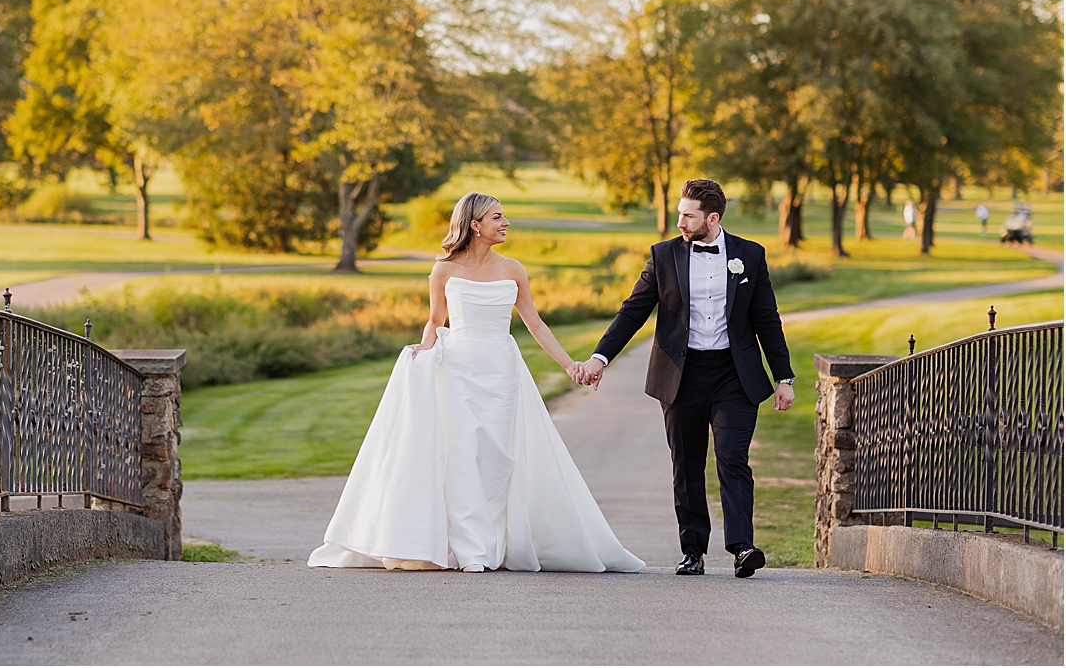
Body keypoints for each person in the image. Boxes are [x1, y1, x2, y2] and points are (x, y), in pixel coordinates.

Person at [307, 193, 643, 574]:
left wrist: (571, 366)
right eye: (497, 217)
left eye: (505, 216)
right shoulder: (443, 271)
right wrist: (423, 351)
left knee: (495, 459)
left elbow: (535, 323)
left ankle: (492, 544)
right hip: (456, 371)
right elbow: (436, 321)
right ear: (474, 225)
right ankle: (471, 551)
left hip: (500, 372)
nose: (506, 223)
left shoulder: (514, 269)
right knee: (463, 456)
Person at [579, 178, 795, 579]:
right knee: (687, 465)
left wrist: (784, 377)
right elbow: (633, 311)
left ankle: (742, 547)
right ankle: (692, 551)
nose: (679, 221)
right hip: (682, 375)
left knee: (733, 459)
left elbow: (766, 318)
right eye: (679, 213)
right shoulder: (663, 256)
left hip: (734, 375)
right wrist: (600, 357)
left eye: (688, 215)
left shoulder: (749, 255)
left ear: (712, 218)